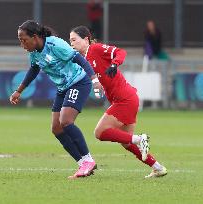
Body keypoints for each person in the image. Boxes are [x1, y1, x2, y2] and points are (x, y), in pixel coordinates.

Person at [70, 25, 167, 178]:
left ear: (86, 39)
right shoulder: (85, 59)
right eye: (70, 41)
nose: (71, 43)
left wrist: (115, 64)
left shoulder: (95, 49)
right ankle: (158, 167)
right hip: (128, 98)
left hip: (125, 100)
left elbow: (121, 52)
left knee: (100, 132)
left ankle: (140, 139)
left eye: (74, 39)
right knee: (127, 143)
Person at [10, 20, 103, 179]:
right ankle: (83, 164)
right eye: (20, 40)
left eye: (23, 39)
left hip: (79, 82)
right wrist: (19, 91)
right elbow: (34, 69)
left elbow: (79, 59)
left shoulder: (55, 45)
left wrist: (94, 80)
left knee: (66, 121)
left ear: (35, 37)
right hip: (63, 89)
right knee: (57, 128)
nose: (22, 44)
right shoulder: (34, 53)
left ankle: (88, 161)